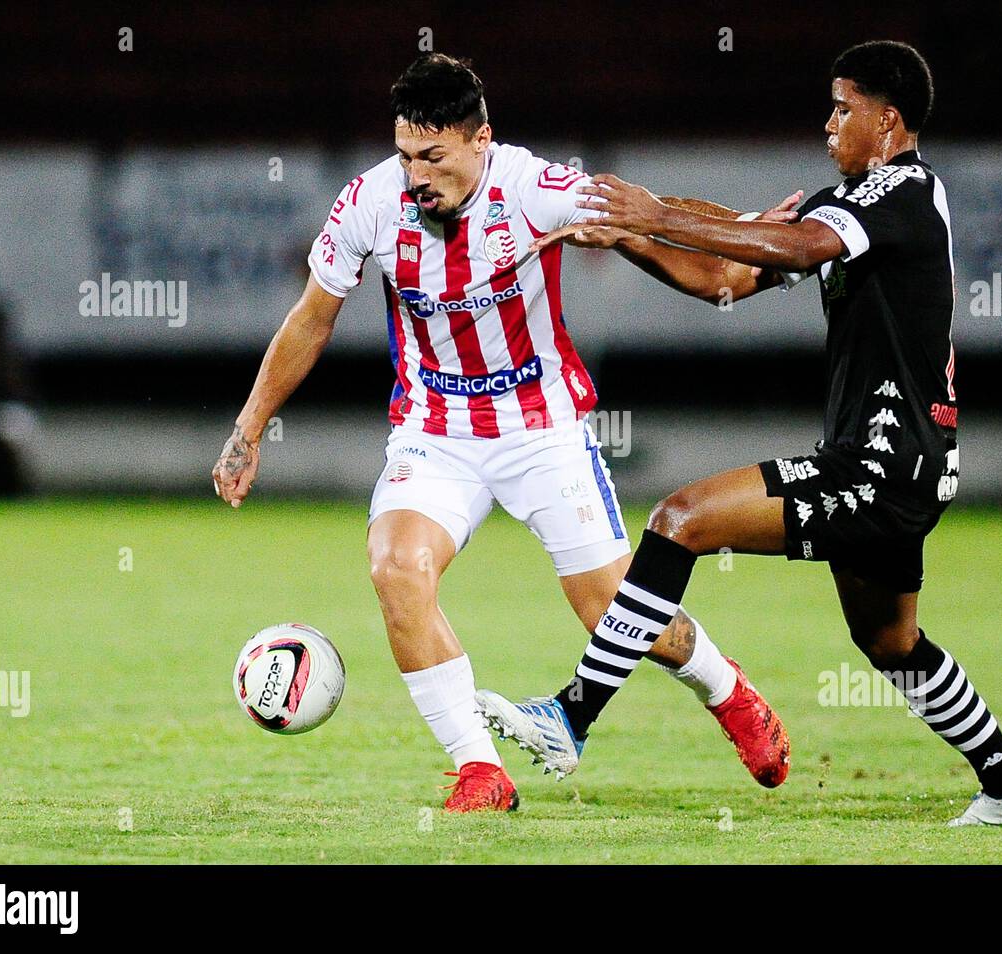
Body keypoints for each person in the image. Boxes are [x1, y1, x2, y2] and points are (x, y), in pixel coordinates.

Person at [476, 41, 1002, 826]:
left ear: (888, 121)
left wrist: (657, 211)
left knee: (678, 520)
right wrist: (636, 238)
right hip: (906, 466)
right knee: (891, 644)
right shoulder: (860, 203)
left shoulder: (905, 191)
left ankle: (571, 716)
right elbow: (726, 278)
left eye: (843, 107)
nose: (828, 123)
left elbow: (796, 245)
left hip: (878, 465)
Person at [212, 53, 791, 813]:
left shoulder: (532, 188)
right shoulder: (369, 205)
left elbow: (644, 214)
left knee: (612, 610)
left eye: (435, 157)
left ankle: (728, 691)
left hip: (540, 424)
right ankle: (479, 771)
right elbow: (312, 317)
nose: (417, 176)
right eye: (406, 156)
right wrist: (249, 426)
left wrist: (746, 235)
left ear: (482, 139)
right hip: (434, 432)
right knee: (396, 567)